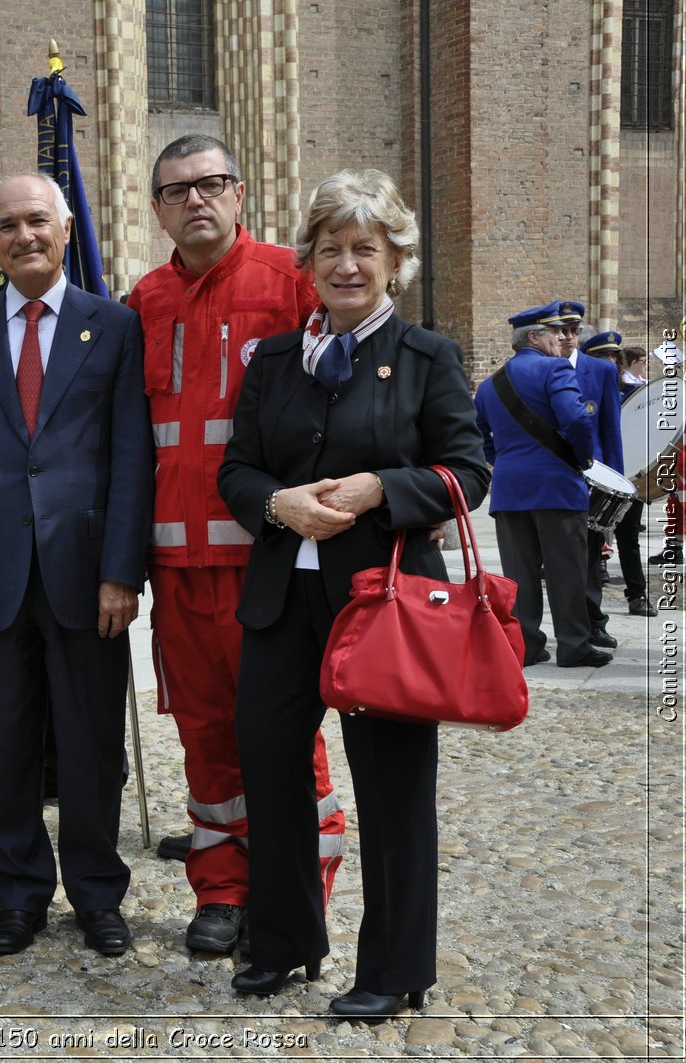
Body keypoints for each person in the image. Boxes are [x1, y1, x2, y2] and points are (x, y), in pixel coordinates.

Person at [218, 169, 490, 1021]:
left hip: (385, 605)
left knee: (393, 787)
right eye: (329, 248)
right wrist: (276, 503)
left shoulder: (428, 358)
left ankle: (396, 967)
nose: (344, 264)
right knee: (269, 769)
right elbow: (236, 469)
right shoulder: (271, 359)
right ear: (308, 260)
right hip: (280, 601)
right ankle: (286, 940)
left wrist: (381, 487)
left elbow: (467, 473)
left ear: (394, 260)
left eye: (363, 249)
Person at [0, 174, 152, 957]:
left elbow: (131, 457)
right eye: (8, 225)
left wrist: (123, 569)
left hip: (89, 577)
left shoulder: (114, 327)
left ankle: (96, 893)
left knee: (92, 748)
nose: (24, 236)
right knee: (6, 745)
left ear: (62, 230)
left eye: (37, 222)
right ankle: (17, 893)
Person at [127, 132, 344, 955]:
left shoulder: (291, 286)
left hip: (270, 568)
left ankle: (297, 895)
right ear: (157, 210)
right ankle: (219, 889)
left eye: (211, 184)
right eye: (178, 191)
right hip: (178, 573)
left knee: (286, 736)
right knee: (205, 735)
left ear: (241, 193)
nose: (196, 200)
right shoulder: (142, 302)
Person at [474, 303, 604, 667]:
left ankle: (526, 646)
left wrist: (504, 462)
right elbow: (576, 419)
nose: (562, 339)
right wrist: (582, 457)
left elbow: (478, 434)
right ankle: (574, 645)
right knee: (566, 570)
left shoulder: (489, 384)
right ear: (534, 337)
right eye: (555, 333)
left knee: (519, 574)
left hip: (510, 487)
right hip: (557, 484)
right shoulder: (555, 368)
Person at [554, 301, 623, 649]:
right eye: (562, 331)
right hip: (550, 478)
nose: (568, 337)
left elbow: (611, 430)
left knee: (592, 554)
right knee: (555, 557)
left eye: (573, 331)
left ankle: (595, 622)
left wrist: (618, 486)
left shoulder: (601, 371)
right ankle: (566, 626)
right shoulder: (542, 368)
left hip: (591, 478)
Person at [589, 337, 656, 616]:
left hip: (627, 474)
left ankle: (637, 595)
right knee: (589, 540)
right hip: (595, 474)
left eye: (613, 358)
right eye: (602, 358)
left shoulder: (634, 393)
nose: (609, 363)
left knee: (628, 537)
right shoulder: (584, 392)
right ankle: (589, 609)